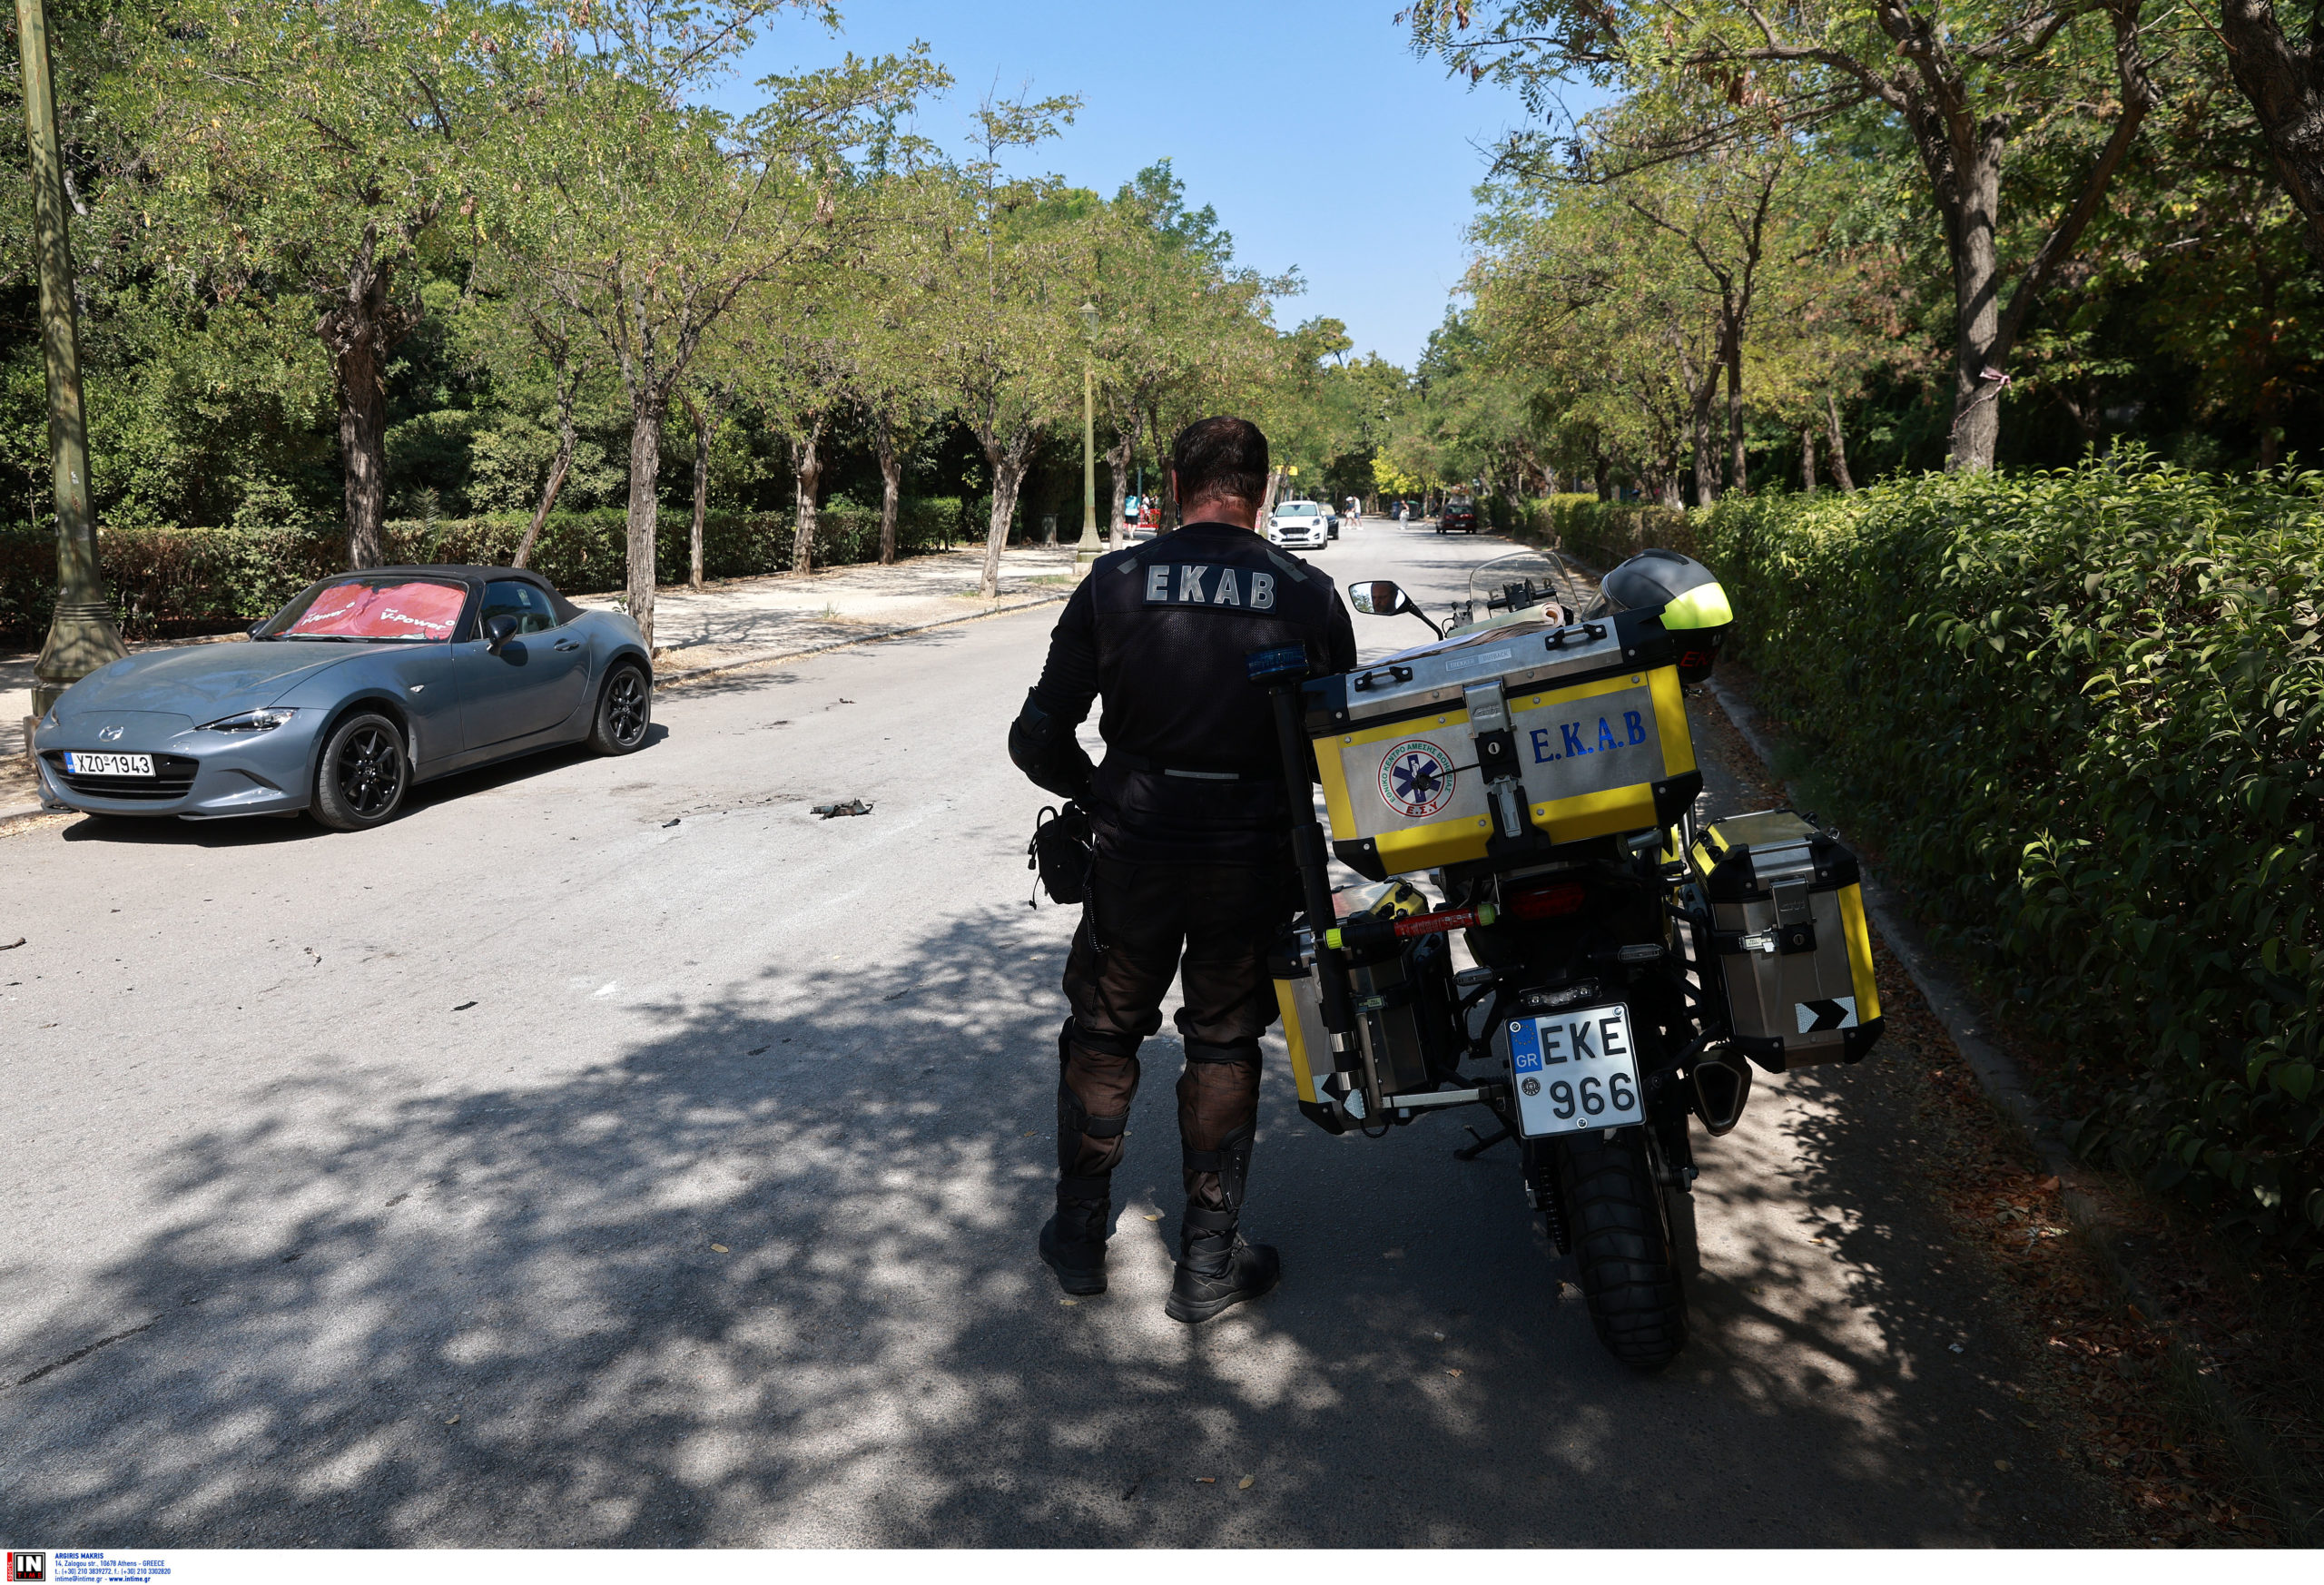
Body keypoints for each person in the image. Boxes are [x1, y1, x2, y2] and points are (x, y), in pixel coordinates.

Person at [1008, 416, 1357, 1324]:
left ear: (1172, 483)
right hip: (1250, 859)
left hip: (1136, 851)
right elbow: (1338, 753)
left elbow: (1037, 736)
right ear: (1262, 491)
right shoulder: (1310, 594)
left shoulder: (1115, 582)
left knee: (1102, 1032)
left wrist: (1100, 794)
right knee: (1223, 1043)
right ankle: (1205, 1266)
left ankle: (1078, 1240)